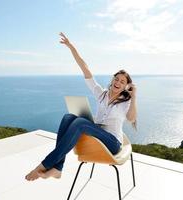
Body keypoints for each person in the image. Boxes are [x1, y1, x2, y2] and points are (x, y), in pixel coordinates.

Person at [25, 32, 137, 181]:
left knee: (79, 123)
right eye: (116, 79)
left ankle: (46, 164)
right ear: (112, 80)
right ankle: (58, 168)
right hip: (98, 134)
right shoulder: (101, 94)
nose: (118, 82)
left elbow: (131, 118)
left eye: (122, 82)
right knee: (68, 117)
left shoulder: (125, 102)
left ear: (125, 86)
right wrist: (71, 47)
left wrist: (134, 96)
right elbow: (85, 67)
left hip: (112, 143)